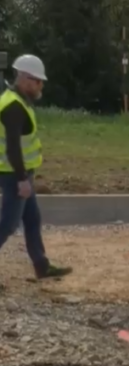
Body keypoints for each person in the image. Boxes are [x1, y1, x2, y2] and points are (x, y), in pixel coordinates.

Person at [0, 54, 72, 286]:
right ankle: (41, 265)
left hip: (20, 172)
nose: (41, 85)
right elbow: (13, 148)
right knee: (7, 224)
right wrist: (22, 180)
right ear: (24, 79)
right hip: (13, 174)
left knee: (32, 218)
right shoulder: (13, 107)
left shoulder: (17, 101)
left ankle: (41, 266)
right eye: (37, 80)